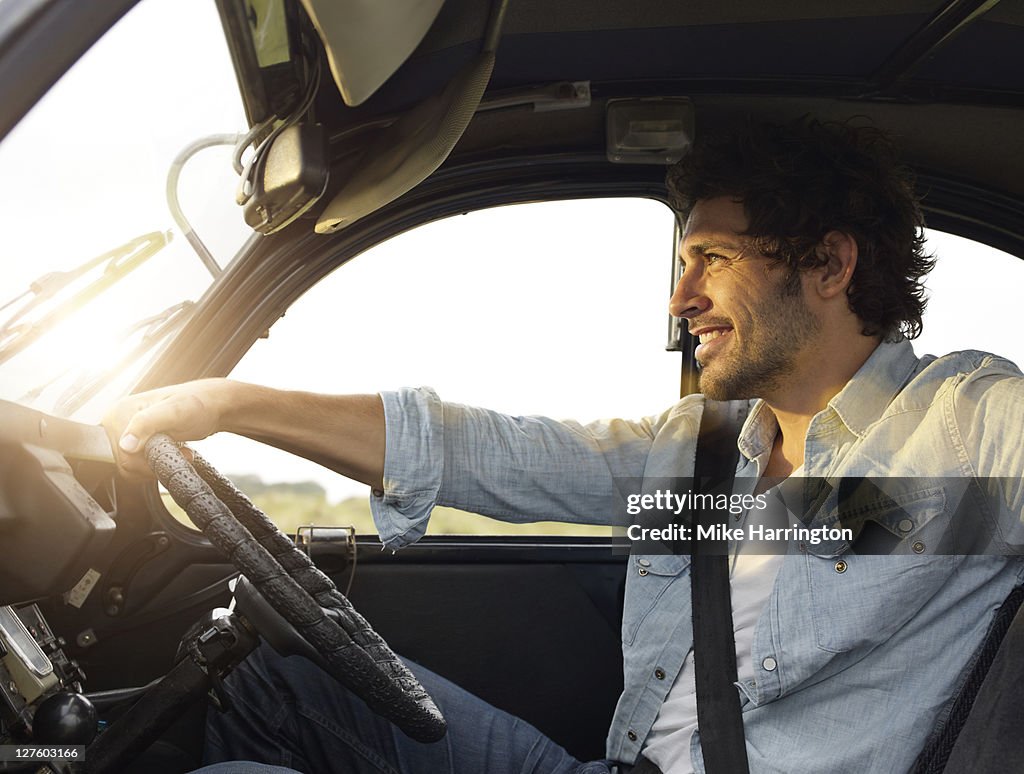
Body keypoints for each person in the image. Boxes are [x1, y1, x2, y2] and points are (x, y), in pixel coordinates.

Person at [103, 119, 1024, 774]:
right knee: (273, 676)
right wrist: (226, 403)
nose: (681, 298)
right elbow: (488, 453)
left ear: (828, 264)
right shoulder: (700, 460)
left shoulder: (966, 422)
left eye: (716, 259)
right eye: (682, 263)